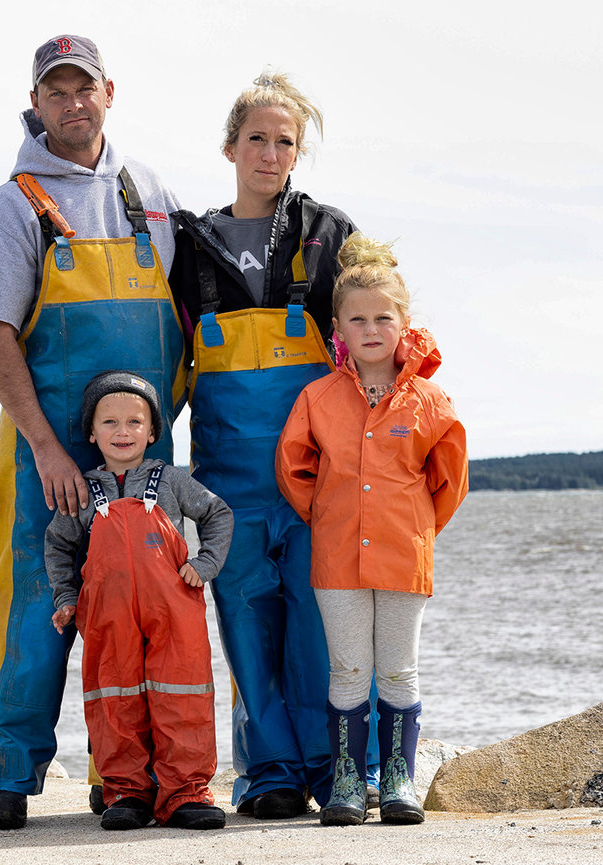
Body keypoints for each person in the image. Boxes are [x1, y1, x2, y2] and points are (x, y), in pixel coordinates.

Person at [0, 34, 186, 831]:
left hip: (143, 451)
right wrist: (47, 448)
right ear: (36, 102)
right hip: (44, 451)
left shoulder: (149, 192)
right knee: (32, 605)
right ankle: (7, 771)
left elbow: (183, 315)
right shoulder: (11, 204)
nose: (72, 102)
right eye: (56, 90)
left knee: (137, 609)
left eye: (84, 87)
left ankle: (123, 776)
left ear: (109, 92)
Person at [168, 71, 362, 818]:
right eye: (257, 138)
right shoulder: (188, 246)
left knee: (318, 624)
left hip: (317, 476)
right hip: (226, 483)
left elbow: (375, 332)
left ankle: (337, 770)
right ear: (229, 147)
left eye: (285, 142)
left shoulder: (329, 234)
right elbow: (165, 359)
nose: (270, 153)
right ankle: (269, 773)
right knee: (246, 623)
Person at [276, 232, 469, 826]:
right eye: (357, 319)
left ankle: (398, 781)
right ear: (337, 327)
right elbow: (294, 469)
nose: (371, 329)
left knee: (399, 669)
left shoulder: (430, 402)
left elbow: (450, 481)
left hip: (404, 557)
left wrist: (415, 529)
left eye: (383, 317)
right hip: (336, 558)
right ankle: (347, 782)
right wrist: (330, 517)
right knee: (348, 670)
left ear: (404, 323)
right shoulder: (318, 398)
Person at [46, 371, 233, 831]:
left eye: (134, 421)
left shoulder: (171, 481)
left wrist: (206, 564)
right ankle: (127, 793)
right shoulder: (83, 490)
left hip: (174, 611)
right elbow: (58, 545)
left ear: (152, 432)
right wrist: (67, 596)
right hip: (108, 618)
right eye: (109, 422)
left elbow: (217, 513)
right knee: (115, 700)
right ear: (92, 432)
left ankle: (186, 792)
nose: (123, 431)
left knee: (182, 696)